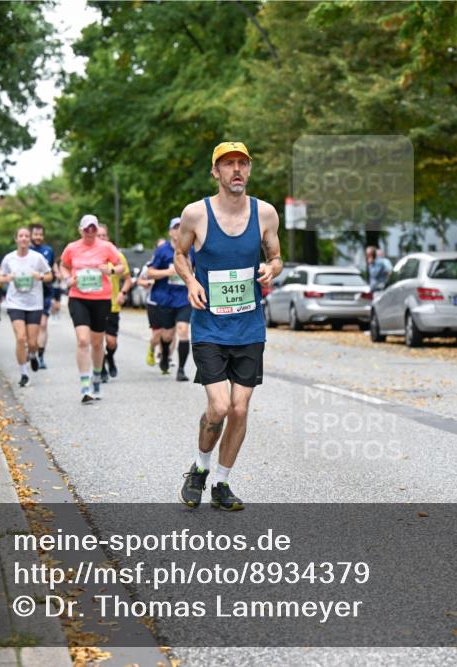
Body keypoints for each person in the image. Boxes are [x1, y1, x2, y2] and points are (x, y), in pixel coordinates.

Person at [175, 141, 282, 511]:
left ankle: (221, 482)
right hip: (209, 327)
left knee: (240, 407)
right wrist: (191, 281)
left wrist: (272, 268)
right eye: (228, 164)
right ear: (215, 172)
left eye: (242, 163)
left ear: (249, 170)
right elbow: (180, 254)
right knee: (219, 407)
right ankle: (200, 467)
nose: (236, 170)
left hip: (249, 327)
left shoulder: (265, 213)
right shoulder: (195, 214)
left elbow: (276, 256)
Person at [60, 214, 124, 403]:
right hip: (78, 298)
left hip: (101, 299)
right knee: (82, 340)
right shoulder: (72, 248)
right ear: (80, 230)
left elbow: (121, 266)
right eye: (86, 228)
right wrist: (66, 279)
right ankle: (85, 385)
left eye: (93, 228)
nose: (90, 231)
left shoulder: (106, 247)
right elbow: (63, 266)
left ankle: (96, 377)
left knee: (97, 343)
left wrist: (110, 270)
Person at [142, 217, 195, 381]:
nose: (179, 231)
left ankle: (181, 370)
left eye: (182, 227)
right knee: (166, 336)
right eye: (176, 227)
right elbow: (150, 272)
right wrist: (168, 272)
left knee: (183, 331)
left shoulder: (192, 249)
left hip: (184, 298)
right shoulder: (162, 250)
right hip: (164, 298)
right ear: (170, 231)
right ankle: (164, 355)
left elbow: (199, 269)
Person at [0, 228, 53, 387]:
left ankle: (33, 354)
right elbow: (1, 277)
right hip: (15, 303)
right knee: (20, 338)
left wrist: (40, 276)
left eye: (26, 236)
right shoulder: (9, 258)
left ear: (29, 240)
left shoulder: (37, 258)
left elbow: (50, 275)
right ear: (16, 239)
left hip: (34, 303)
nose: (23, 238)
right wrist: (8, 278)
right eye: (20, 236)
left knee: (32, 342)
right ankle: (24, 373)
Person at [96, 224, 133, 382]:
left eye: (104, 235)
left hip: (112, 305)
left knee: (111, 341)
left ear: (108, 238)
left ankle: (109, 357)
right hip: (95, 304)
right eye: (99, 235)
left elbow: (128, 280)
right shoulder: (89, 257)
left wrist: (122, 293)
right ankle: (101, 366)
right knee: (98, 340)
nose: (101, 238)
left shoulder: (117, 257)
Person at [29, 223, 56, 369]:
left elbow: (52, 272)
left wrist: (56, 296)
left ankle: (41, 356)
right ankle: (31, 349)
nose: (38, 237)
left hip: (45, 293)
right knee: (31, 327)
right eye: (35, 234)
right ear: (31, 235)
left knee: (43, 325)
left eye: (40, 234)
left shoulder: (48, 251)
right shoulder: (26, 250)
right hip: (29, 294)